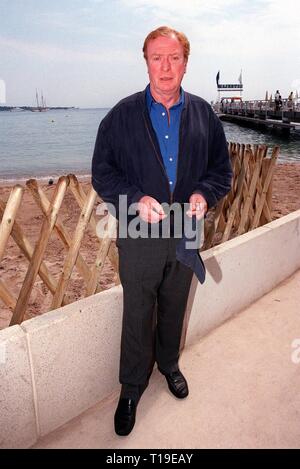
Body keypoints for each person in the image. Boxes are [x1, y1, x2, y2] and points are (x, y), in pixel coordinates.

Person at [92, 26, 233, 436]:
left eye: (174, 58)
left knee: (175, 305)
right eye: (158, 58)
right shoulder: (120, 116)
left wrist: (205, 194)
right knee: (138, 312)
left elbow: (220, 172)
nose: (166, 66)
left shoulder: (206, 115)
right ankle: (132, 387)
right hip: (138, 234)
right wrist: (135, 198)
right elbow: (103, 172)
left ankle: (169, 365)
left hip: (186, 233)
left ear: (186, 64)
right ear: (147, 62)